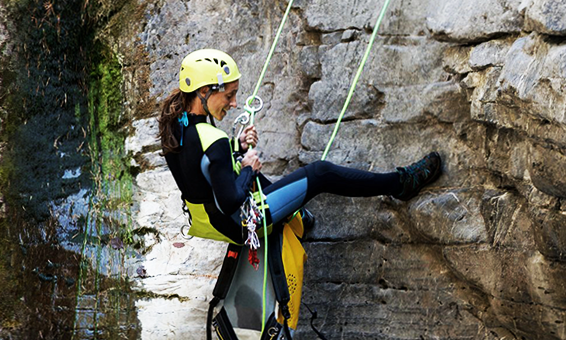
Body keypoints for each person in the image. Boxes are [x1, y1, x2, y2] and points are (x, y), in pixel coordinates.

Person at [158, 49, 444, 333]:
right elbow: (232, 199)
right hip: (243, 224)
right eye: (229, 95)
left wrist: (237, 148)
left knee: (283, 186)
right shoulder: (214, 138)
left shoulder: (175, 128)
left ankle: (296, 213)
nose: (233, 104)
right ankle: (401, 184)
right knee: (320, 173)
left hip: (212, 223)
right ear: (205, 90)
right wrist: (248, 168)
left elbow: (202, 168)